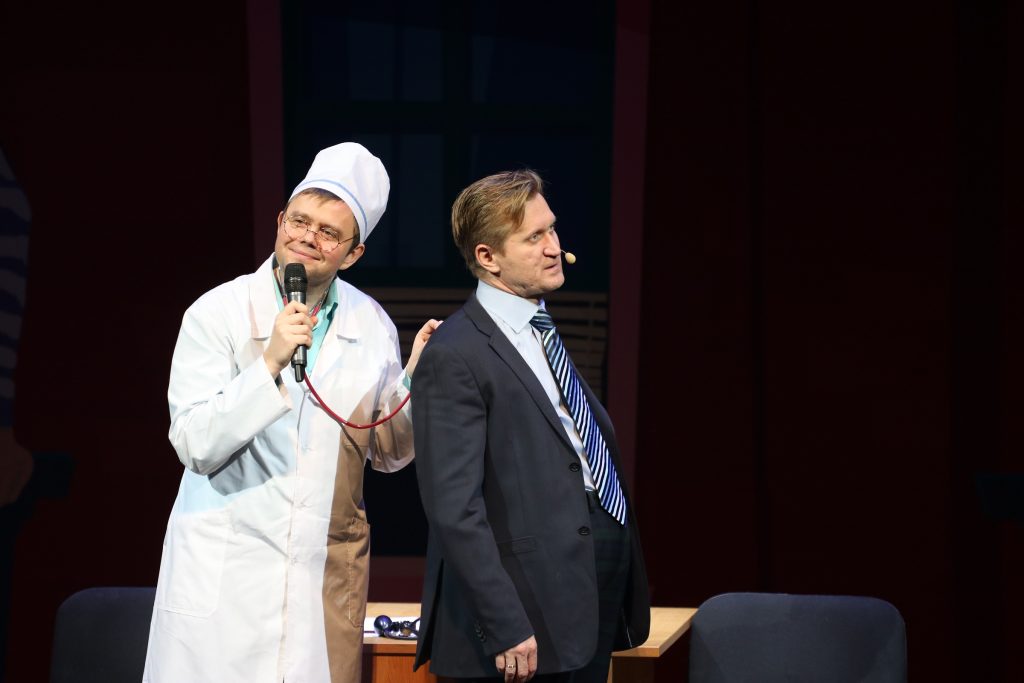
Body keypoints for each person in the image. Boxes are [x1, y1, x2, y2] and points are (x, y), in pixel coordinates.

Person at [143, 142, 439, 683]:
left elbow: (388, 452)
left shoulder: (371, 323)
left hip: (318, 584)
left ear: (353, 253)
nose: (307, 236)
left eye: (328, 232)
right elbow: (194, 443)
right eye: (299, 221)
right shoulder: (218, 312)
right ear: (280, 221)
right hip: (225, 579)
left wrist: (418, 380)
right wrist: (269, 364)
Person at [411, 170, 649, 682]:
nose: (554, 247)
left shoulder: (541, 331)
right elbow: (454, 507)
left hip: (583, 592)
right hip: (525, 607)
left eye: (552, 229)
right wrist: (504, 621)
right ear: (487, 257)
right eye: (534, 237)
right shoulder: (455, 353)